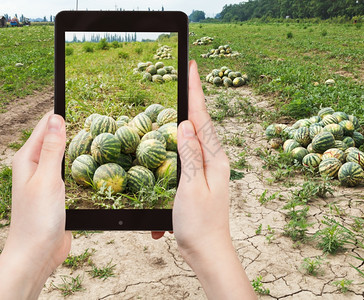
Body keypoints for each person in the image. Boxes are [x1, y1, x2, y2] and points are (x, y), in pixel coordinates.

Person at [0, 61, 257, 299]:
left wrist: (29, 255)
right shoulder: (106, 144)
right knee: (105, 146)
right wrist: (211, 245)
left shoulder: (145, 143)